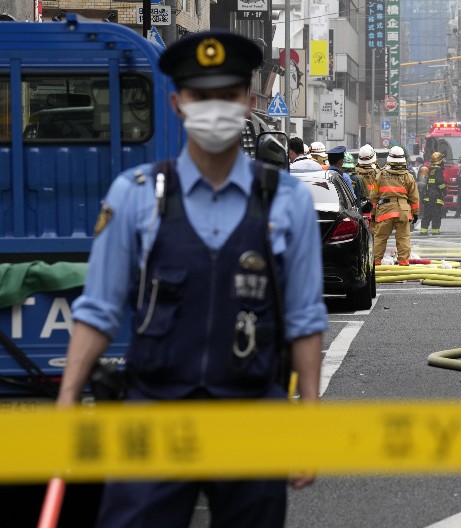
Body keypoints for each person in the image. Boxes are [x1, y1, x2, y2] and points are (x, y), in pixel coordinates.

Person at [55, 31, 328, 527]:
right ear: (178, 103)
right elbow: (97, 310)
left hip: (252, 417)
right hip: (153, 415)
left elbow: (306, 319)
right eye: (202, 96)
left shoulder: (286, 202)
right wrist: (68, 399)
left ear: (248, 102)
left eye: (228, 95)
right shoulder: (136, 195)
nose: (215, 108)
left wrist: (307, 421)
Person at [371, 145, 420, 266]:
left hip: (385, 210)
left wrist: (372, 213)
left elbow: (374, 195)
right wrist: (415, 213)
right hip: (403, 211)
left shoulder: (381, 175)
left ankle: (376, 263)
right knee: (403, 238)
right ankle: (403, 262)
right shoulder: (408, 176)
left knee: (380, 238)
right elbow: (414, 197)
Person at [419, 151, 446, 235]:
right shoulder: (439, 170)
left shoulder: (428, 169)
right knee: (436, 215)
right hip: (436, 197)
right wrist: (444, 191)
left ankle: (423, 230)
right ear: (440, 161)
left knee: (427, 215)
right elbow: (440, 182)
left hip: (427, 196)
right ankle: (435, 231)